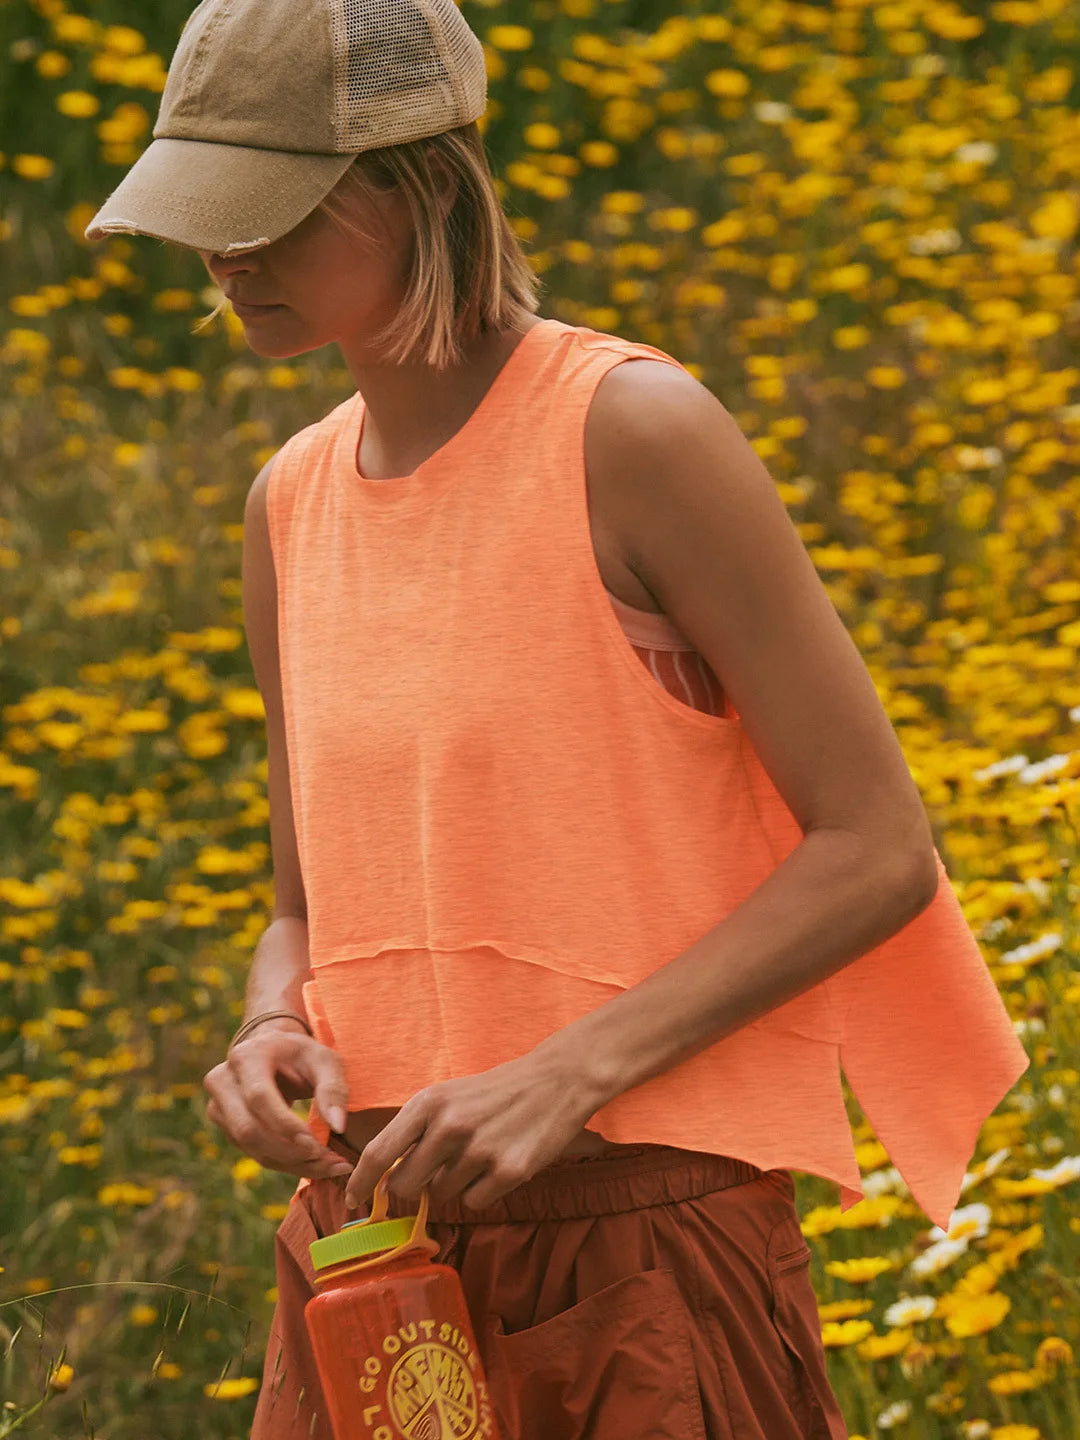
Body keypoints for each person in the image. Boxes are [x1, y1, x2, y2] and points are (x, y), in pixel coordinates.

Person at [84, 2, 1029, 1437]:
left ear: (416, 184)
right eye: (206, 210)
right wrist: (272, 1022)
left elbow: (879, 848)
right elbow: (303, 904)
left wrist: (568, 1071)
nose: (224, 255)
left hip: (640, 1248)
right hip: (370, 1263)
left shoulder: (633, 432)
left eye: (268, 211)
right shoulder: (289, 499)